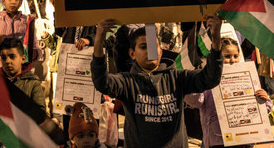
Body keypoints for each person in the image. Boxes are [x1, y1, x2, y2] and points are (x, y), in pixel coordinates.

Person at [91, 16, 223, 148]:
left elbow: (210, 79)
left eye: (154, 46)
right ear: (132, 54)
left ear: (160, 51)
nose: (149, 51)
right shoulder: (127, 82)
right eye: (143, 47)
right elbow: (102, 82)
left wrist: (216, 40)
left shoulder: (177, 77)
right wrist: (99, 41)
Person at [185, 37, 272, 148]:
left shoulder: (247, 77)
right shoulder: (207, 79)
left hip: (244, 141)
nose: (232, 60)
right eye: (227, 56)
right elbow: (196, 102)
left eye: (235, 56)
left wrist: (263, 99)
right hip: (218, 142)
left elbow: (264, 108)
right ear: (216, 58)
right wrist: (191, 86)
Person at [0, 37, 46, 113]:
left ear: (23, 59)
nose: (7, 61)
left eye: (12, 57)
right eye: (4, 58)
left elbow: (40, 113)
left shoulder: (32, 83)